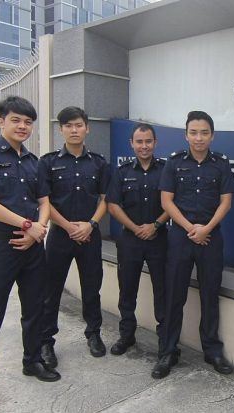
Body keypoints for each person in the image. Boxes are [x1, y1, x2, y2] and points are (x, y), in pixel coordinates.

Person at [0, 96, 61, 413]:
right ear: (1, 121)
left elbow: (45, 201)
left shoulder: (35, 162)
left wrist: (39, 229)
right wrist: (26, 224)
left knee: (35, 308)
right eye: (16, 120)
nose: (23, 126)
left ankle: (32, 361)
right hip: (1, 245)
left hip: (33, 246)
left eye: (28, 122)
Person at [152, 111, 234, 379]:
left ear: (212, 135)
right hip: (180, 237)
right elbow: (167, 201)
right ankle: (167, 351)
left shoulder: (221, 164)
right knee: (174, 294)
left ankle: (212, 350)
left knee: (210, 294)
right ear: (186, 134)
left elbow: (226, 202)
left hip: (211, 238)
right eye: (194, 132)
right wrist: (191, 229)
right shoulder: (174, 163)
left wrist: (206, 229)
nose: (199, 138)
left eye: (204, 132)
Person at [38, 106, 110, 366]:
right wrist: (68, 226)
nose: (74, 130)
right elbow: (43, 201)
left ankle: (93, 334)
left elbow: (106, 200)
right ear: (61, 130)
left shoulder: (99, 163)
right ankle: (46, 342)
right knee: (51, 291)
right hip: (60, 236)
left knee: (92, 288)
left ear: (87, 128)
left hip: (90, 235)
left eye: (79, 125)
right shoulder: (48, 162)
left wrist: (90, 224)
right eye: (68, 125)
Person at [105, 123, 169, 355]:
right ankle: (127, 335)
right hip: (130, 240)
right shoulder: (122, 172)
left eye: (148, 141)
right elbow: (113, 205)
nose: (144, 146)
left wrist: (155, 225)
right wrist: (135, 228)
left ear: (155, 143)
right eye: (139, 142)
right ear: (131, 143)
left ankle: (165, 339)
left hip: (159, 239)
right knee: (127, 288)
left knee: (162, 290)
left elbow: (173, 204)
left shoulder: (165, 170)